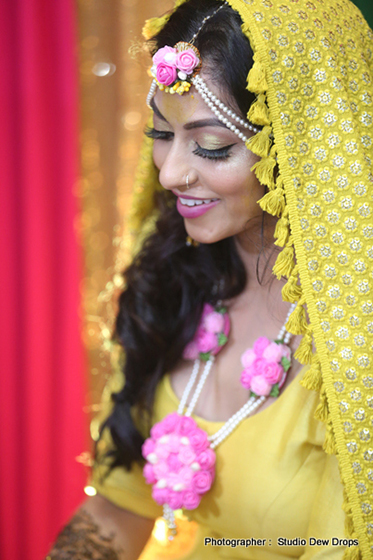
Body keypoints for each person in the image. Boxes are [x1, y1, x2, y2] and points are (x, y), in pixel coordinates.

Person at [47, 0, 373, 558]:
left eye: (211, 146)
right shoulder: (175, 285)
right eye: (160, 133)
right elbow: (117, 508)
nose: (171, 172)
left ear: (306, 148)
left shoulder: (355, 344)